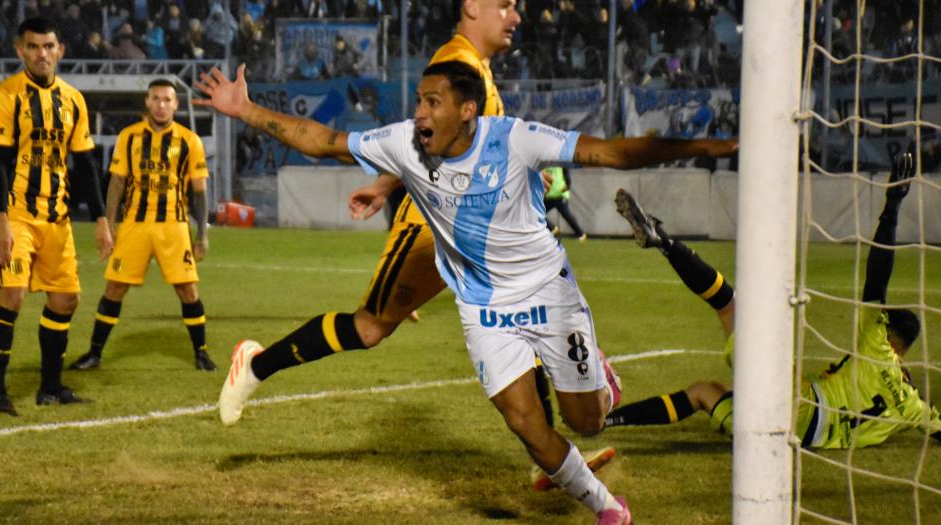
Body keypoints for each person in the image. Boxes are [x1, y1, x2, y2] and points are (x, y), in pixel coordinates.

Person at [194, 60, 737, 524]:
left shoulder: (516, 139)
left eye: (433, 102)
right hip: (482, 307)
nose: (421, 112)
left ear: (468, 110)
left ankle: (596, 374)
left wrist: (713, 145)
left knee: (587, 422)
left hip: (549, 295)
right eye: (418, 100)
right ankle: (605, 508)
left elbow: (614, 153)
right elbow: (323, 141)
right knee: (526, 423)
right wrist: (244, 110)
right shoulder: (406, 141)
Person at [606, 158, 941, 448]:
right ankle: (609, 423)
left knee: (729, 305)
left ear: (891, 339)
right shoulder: (913, 408)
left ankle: (663, 241)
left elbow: (877, 279)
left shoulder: (878, 349)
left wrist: (892, 206)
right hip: (791, 436)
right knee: (703, 392)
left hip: (797, 404)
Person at [0, 17, 113, 416]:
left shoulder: (72, 100)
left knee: (66, 299)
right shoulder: (4, 97)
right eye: (34, 47)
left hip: (57, 217)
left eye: (49, 46)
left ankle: (51, 388)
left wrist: (102, 219)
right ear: (20, 51)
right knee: (13, 295)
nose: (42, 53)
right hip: (17, 214)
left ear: (60, 51)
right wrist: (0, 220)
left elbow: (87, 165)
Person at [68, 79, 216, 372]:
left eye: (167, 99)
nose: (161, 105)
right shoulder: (129, 137)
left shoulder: (190, 141)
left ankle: (201, 353)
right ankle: (94, 354)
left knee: (188, 289)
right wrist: (108, 226)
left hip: (173, 226)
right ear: (147, 102)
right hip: (134, 224)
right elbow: (117, 183)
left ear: (175, 104)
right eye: (156, 99)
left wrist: (202, 234)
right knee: (115, 287)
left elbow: (199, 190)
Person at [542, 164, 586, 241]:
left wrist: (568, 184)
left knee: (566, 215)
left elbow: (567, 172)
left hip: (560, 194)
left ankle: (581, 233)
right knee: (537, 214)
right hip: (549, 195)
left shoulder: (560, 161)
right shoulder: (543, 163)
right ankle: (553, 228)